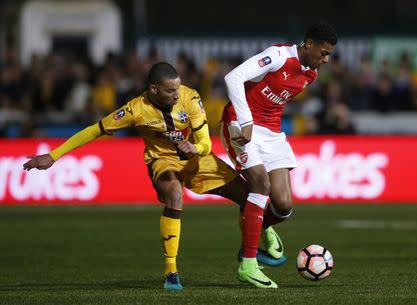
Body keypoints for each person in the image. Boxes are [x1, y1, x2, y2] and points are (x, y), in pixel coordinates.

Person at [22, 62, 277, 289]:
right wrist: (54, 156)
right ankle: (171, 271)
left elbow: (205, 143)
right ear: (154, 89)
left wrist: (195, 148)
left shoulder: (190, 98)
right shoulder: (135, 110)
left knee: (251, 196)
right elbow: (94, 130)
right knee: (175, 195)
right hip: (162, 161)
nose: (177, 94)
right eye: (170, 91)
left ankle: (255, 247)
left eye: (178, 88)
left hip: (198, 159)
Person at [220, 22, 338, 287]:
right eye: (323, 52)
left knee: (283, 206)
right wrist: (246, 120)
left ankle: (255, 230)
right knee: (260, 185)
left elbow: (274, 102)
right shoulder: (278, 55)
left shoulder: (311, 75)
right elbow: (233, 78)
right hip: (240, 125)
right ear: (309, 44)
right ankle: (248, 265)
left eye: (329, 55)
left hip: (272, 134)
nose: (326, 60)